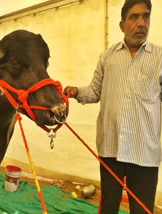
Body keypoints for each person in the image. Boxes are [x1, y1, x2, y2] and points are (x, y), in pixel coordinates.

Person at [64, 0, 161, 213]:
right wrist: (76, 92)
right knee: (108, 207)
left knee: (142, 210)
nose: (141, 23)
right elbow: (95, 91)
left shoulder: (160, 58)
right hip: (110, 148)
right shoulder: (107, 57)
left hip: (144, 153)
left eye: (146, 17)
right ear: (122, 24)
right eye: (134, 17)